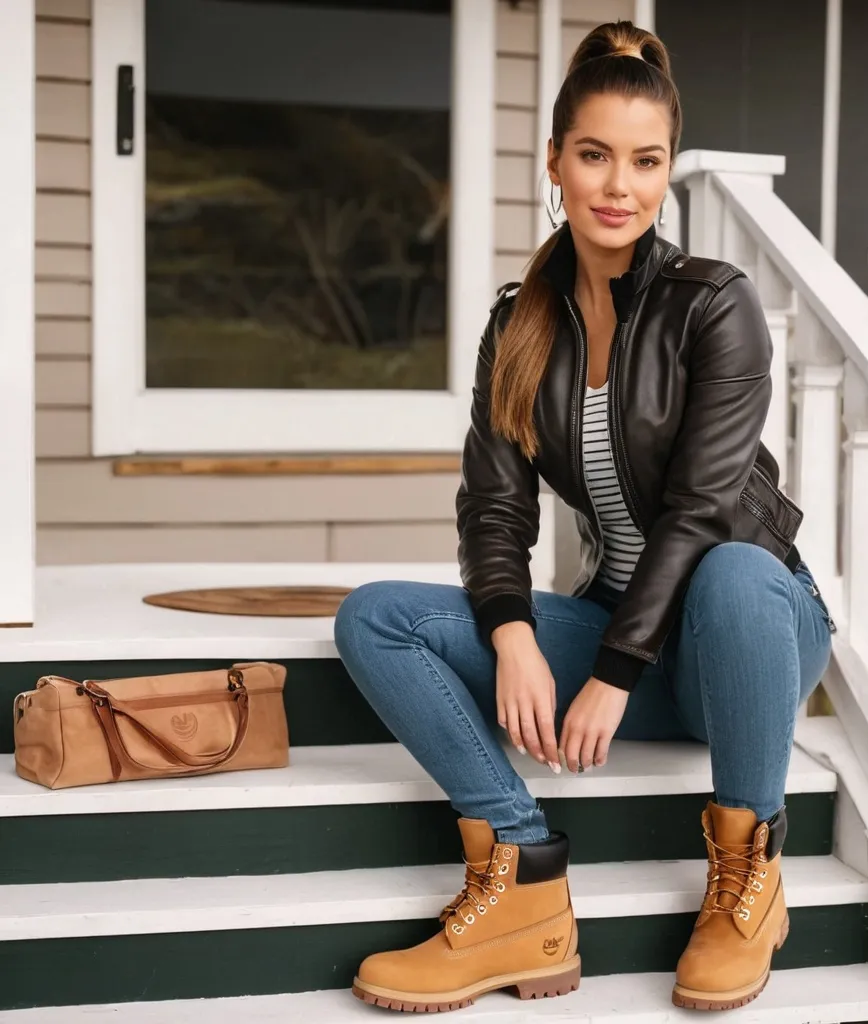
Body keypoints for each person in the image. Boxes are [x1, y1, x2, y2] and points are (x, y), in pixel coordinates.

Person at [334, 19, 835, 1015]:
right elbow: (493, 503)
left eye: (645, 162)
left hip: (742, 633)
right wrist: (511, 628)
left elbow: (699, 510)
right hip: (617, 624)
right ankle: (520, 876)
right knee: (375, 616)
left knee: (733, 567)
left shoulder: (712, 305)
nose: (619, 186)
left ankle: (747, 881)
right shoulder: (518, 322)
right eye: (596, 155)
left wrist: (610, 673)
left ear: (666, 175)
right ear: (555, 162)